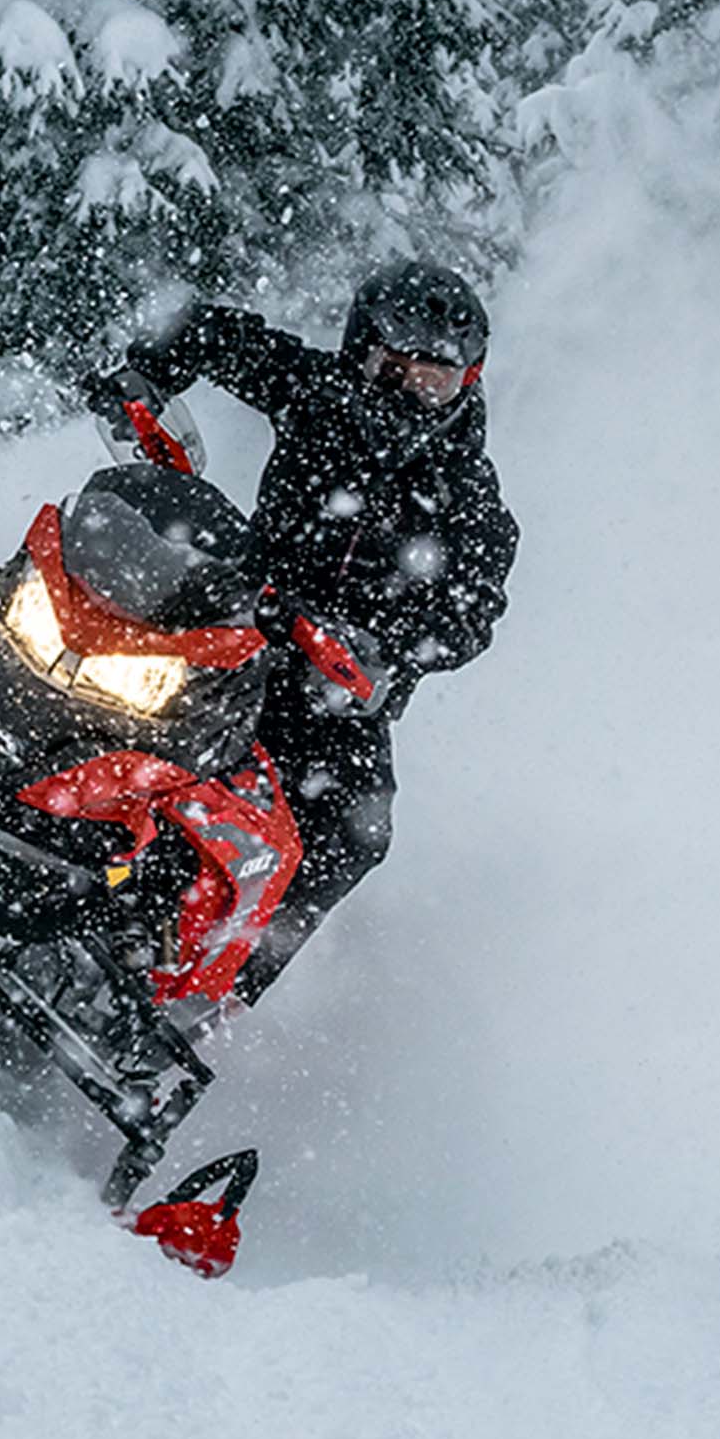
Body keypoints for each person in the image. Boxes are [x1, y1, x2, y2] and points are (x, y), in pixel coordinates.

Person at [85, 262, 516, 1000]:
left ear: (466, 381)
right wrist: (147, 373)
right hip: (230, 615)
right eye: (393, 367)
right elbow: (219, 334)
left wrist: (388, 646)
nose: (409, 392)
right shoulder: (319, 394)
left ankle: (208, 991)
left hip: (333, 690)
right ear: (359, 352)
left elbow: (474, 608)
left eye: (433, 379)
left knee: (355, 827)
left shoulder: (467, 494)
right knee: (80, 629)